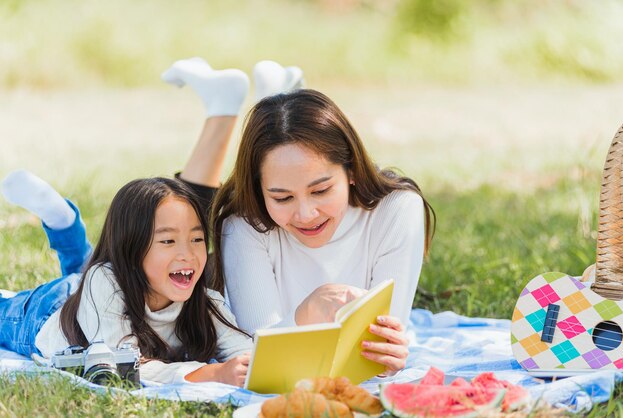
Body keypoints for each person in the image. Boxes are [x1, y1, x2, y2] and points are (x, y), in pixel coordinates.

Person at [207, 91, 436, 374]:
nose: (306, 215)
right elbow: (260, 359)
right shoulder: (244, 226)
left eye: (321, 190)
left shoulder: (397, 210)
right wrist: (307, 313)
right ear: (259, 190)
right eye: (282, 198)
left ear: (351, 171)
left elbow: (378, 354)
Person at [0, 173, 252, 386]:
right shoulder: (103, 282)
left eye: (196, 239)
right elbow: (125, 366)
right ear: (130, 248)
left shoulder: (206, 304)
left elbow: (250, 354)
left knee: (85, 272)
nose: (188, 254)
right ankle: (65, 226)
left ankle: (63, 223)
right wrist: (213, 373)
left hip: (93, 293)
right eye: (168, 241)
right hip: (47, 312)